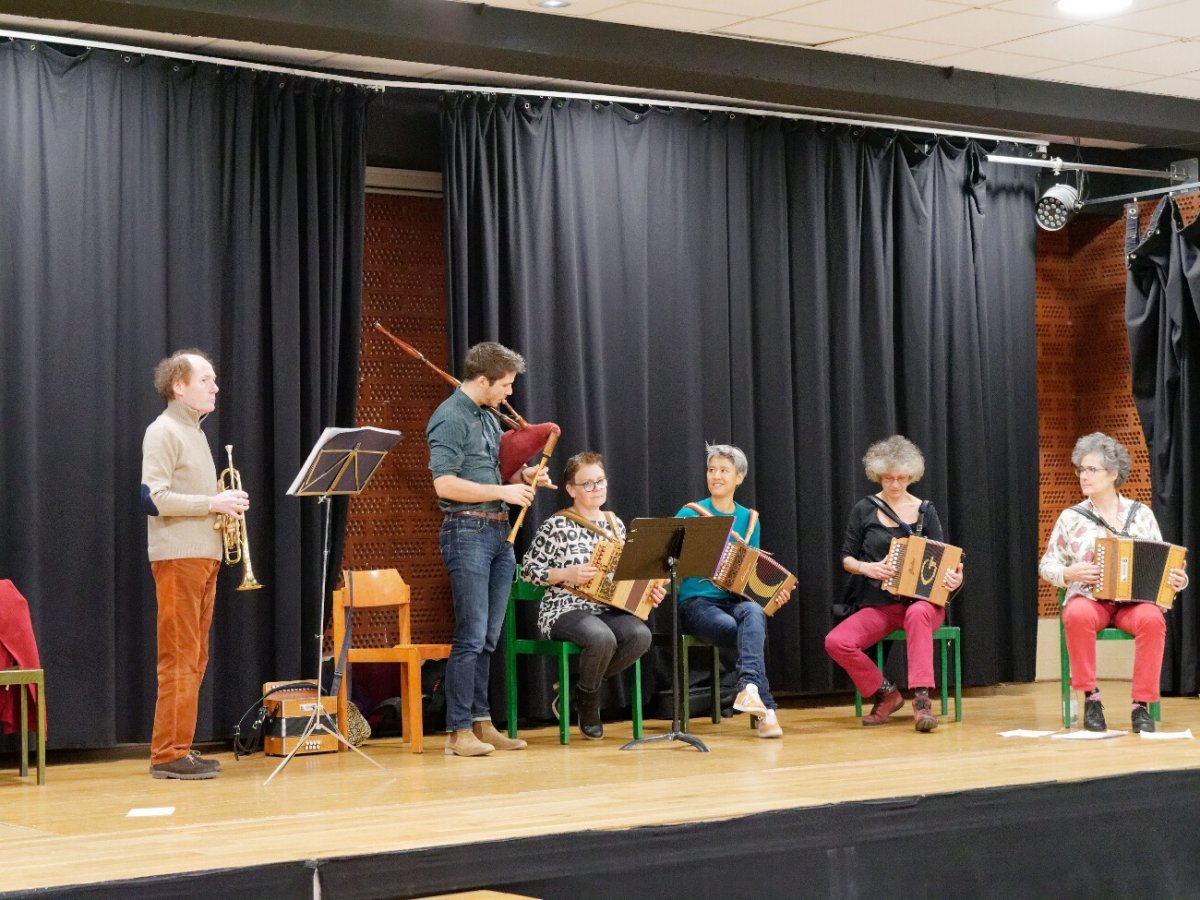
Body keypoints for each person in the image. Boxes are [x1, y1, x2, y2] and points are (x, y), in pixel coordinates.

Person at [427, 341, 552, 757]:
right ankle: (457, 730)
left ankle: (480, 722)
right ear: (482, 380)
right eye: (506, 384)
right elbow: (445, 484)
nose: (510, 393)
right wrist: (504, 489)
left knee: (489, 637)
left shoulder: (485, 417)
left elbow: (493, 469)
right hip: (467, 531)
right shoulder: (449, 418)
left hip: (499, 534)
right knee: (471, 634)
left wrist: (526, 475)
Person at [141, 349, 248, 780]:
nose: (215, 387)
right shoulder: (163, 430)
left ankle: (179, 746)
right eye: (206, 379)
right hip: (178, 557)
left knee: (196, 656)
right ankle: (167, 752)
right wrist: (212, 502)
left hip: (204, 555)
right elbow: (152, 498)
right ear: (178, 386)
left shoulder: (197, 433)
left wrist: (224, 509)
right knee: (180, 656)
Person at [1039, 432, 1188, 734]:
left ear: (1113, 474)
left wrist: (1178, 579)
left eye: (1092, 469)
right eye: (1081, 469)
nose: (1084, 475)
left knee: (1152, 618)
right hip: (1090, 600)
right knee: (1076, 614)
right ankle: (1091, 698)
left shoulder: (1141, 515)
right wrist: (1071, 573)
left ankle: (1141, 705)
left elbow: (1163, 565)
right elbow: (1047, 565)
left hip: (1133, 603)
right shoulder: (1072, 517)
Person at [521, 451, 664, 739]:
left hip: (607, 608)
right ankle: (588, 704)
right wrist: (566, 573)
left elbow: (627, 573)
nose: (596, 488)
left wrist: (649, 591)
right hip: (563, 609)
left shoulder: (615, 524)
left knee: (640, 635)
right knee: (601, 638)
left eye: (600, 481)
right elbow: (528, 571)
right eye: (587, 484)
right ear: (571, 489)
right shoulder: (557, 525)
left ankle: (576, 690)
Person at [825, 435, 964, 733]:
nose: (896, 485)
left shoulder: (926, 510)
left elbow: (944, 559)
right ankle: (886, 693)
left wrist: (955, 577)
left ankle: (923, 701)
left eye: (902, 478)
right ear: (878, 475)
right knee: (837, 642)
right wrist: (868, 568)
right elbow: (846, 558)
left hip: (923, 605)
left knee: (917, 614)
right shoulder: (864, 509)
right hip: (881, 602)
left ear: (911, 476)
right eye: (888, 478)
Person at [676, 444, 791, 739]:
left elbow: (751, 577)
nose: (715, 476)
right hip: (698, 603)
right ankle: (766, 709)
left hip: (736, 601)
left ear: (739, 478)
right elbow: (669, 559)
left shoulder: (750, 519)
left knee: (754, 611)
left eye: (723, 471)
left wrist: (772, 597)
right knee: (744, 629)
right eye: (711, 470)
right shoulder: (690, 513)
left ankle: (749, 689)